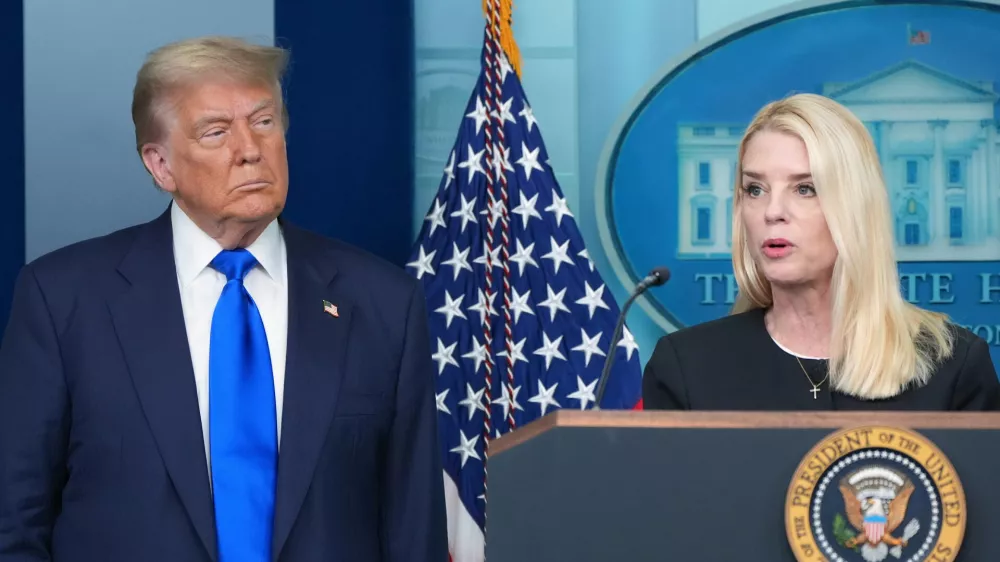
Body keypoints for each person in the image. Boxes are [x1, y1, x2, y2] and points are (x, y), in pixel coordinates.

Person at [0, 36, 447, 561]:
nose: (250, 149)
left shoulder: (383, 303)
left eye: (264, 121)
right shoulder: (62, 300)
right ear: (160, 165)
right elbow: (15, 524)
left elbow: (413, 531)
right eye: (216, 131)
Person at [642, 93, 1000, 411]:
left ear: (855, 207)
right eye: (755, 189)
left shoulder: (953, 365)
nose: (772, 211)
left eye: (805, 189)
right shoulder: (685, 365)